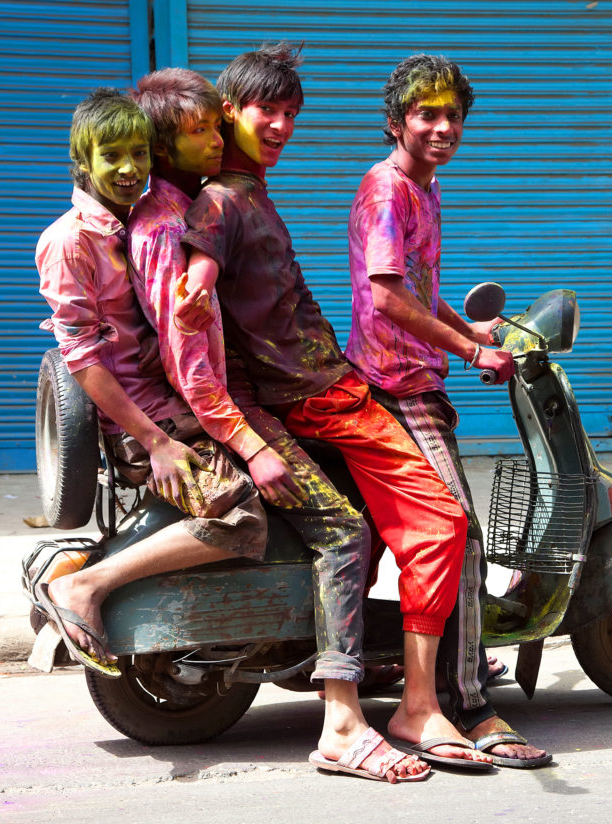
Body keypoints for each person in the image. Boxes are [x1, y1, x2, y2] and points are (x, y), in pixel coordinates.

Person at [175, 44, 491, 774]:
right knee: (444, 525)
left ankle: (397, 686)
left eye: (292, 114)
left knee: (398, 530)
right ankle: (407, 708)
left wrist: (469, 332)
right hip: (325, 396)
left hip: (334, 384)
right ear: (227, 115)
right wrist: (195, 283)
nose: (282, 126)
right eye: (267, 112)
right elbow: (208, 258)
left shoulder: (255, 191)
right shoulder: (227, 200)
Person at [123, 68, 427, 784]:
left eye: (292, 112)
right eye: (200, 129)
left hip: (278, 391)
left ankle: (348, 644)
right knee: (343, 528)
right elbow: (196, 372)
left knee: (364, 501)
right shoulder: (180, 222)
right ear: (170, 141)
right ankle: (343, 722)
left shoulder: (212, 201)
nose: (216, 136)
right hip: (233, 416)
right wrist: (255, 446)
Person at [345, 53, 551, 768]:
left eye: (452, 115)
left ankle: (431, 671)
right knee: (456, 532)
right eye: (426, 114)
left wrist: (472, 332)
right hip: (395, 387)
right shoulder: (388, 190)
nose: (441, 127)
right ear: (397, 120)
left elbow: (416, 284)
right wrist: (467, 355)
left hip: (416, 376)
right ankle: (465, 702)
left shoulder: (426, 189)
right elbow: (384, 297)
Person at [34, 89, 267, 682]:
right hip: (144, 423)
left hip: (170, 405)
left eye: (138, 152)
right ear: (81, 160)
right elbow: (83, 360)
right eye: (111, 154)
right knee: (244, 516)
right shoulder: (70, 241)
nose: (129, 168)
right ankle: (86, 586)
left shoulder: (130, 222)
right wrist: (157, 442)